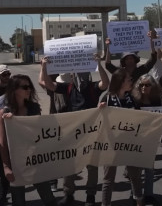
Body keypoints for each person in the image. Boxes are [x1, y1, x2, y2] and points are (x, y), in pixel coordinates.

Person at [39, 54, 109, 206]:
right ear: (71, 75)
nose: (80, 76)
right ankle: (68, 193)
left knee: (92, 165)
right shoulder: (69, 87)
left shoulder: (92, 87)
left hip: (91, 131)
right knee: (70, 163)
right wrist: (44, 66)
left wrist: (99, 64)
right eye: (77, 73)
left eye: (83, 72)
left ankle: (90, 196)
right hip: (73, 131)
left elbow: (105, 83)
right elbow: (49, 84)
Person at [0, 74, 57, 206]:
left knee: (49, 198)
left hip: (34, 161)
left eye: (30, 86)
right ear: (14, 89)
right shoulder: (4, 112)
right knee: (18, 201)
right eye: (25, 87)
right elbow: (2, 143)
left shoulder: (34, 108)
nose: (29, 90)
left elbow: (38, 133)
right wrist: (6, 167)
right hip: (15, 164)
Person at [98, 68, 144, 206]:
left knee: (135, 176)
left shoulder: (133, 97)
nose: (131, 81)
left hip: (130, 143)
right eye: (129, 79)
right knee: (108, 179)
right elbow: (97, 120)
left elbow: (141, 117)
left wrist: (160, 118)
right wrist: (100, 110)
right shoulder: (106, 97)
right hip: (111, 144)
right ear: (120, 81)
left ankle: (139, 202)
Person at [131, 74, 162, 206]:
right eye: (141, 85)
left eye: (147, 85)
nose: (144, 87)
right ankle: (135, 194)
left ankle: (149, 194)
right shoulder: (134, 100)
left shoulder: (157, 101)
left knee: (149, 169)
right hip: (136, 139)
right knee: (136, 170)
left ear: (153, 87)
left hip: (151, 140)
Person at [0, 65, 11, 204]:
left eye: (8, 74)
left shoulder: (11, 89)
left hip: (8, 129)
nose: (7, 77)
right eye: (4, 74)